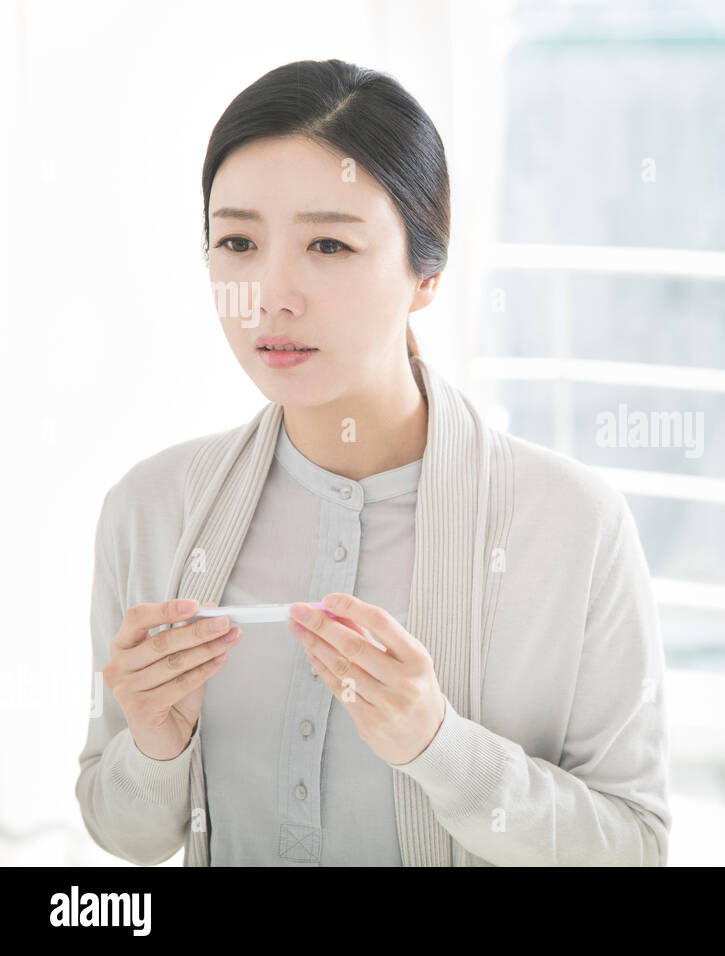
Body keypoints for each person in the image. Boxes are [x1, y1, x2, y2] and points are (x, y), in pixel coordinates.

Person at [75, 59, 670, 866]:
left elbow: (634, 845)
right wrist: (153, 746)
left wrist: (439, 746)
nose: (271, 293)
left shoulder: (572, 526)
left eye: (328, 243)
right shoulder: (150, 512)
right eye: (238, 242)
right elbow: (129, 838)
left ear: (427, 272)